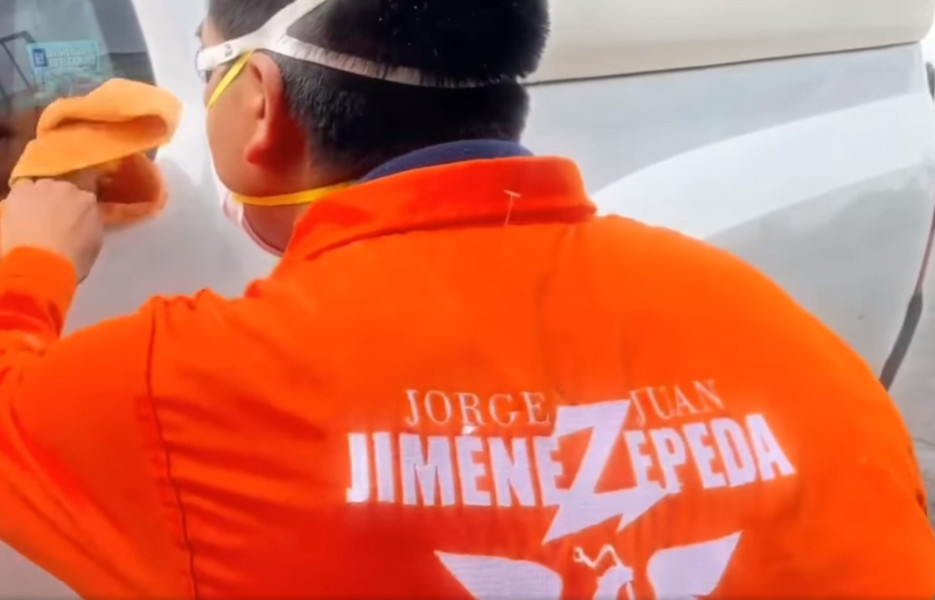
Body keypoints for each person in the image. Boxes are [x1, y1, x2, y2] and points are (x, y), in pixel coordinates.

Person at [0, 0, 931, 597]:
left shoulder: (183, 388)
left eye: (208, 75)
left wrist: (31, 259)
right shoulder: (779, 339)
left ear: (260, 104)